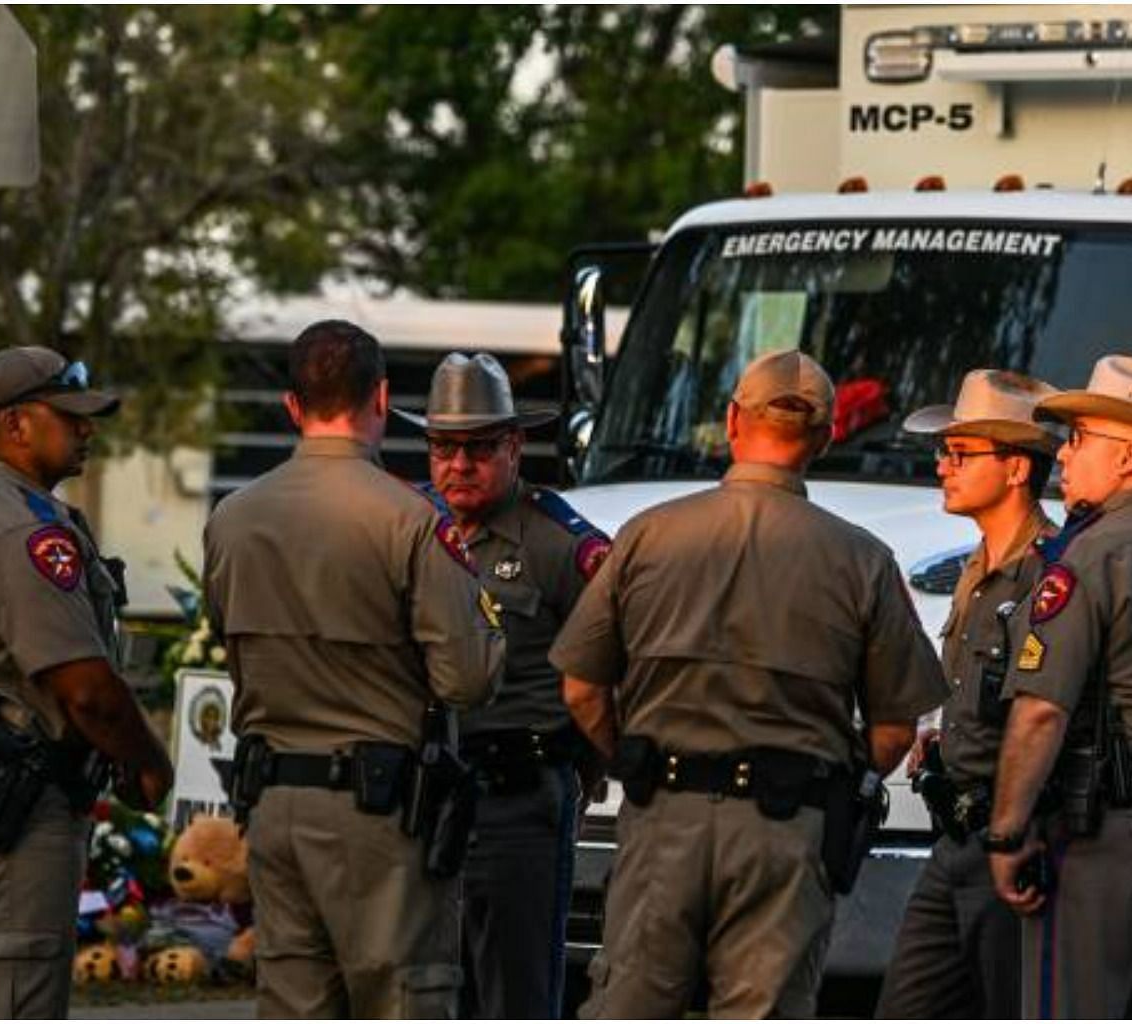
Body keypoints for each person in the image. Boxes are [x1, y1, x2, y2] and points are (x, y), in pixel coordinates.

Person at [550, 350, 949, 1018]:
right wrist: (836, 780)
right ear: (823, 439)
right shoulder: (864, 560)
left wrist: (629, 754)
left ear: (733, 420)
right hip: (786, 832)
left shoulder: (648, 535)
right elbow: (892, 730)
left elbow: (581, 690)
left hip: (662, 819)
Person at [202, 321, 505, 1018]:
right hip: (380, 819)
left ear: (291, 405)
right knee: (404, 997)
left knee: (295, 1001)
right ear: (382, 398)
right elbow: (466, 679)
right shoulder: (410, 520)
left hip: (274, 803)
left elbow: (228, 639)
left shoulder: (233, 518)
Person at [0, 346, 174, 1018]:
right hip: (11, 795)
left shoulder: (20, 515)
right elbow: (86, 687)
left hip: (20, 785)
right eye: (69, 415)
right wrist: (147, 761)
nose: (87, 429)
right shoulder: (14, 529)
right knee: (12, 997)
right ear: (15, 424)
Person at [396, 352, 610, 1019]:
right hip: (420, 797)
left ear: (515, 446)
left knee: (515, 996)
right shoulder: (404, 527)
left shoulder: (559, 545)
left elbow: (619, 664)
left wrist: (591, 761)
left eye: (479, 448)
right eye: (443, 447)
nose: (458, 465)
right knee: (421, 989)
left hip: (520, 800)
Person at [985, 355, 1132, 1019]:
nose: (1065, 456)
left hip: (1105, 832)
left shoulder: (1095, 553)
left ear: (1131, 455)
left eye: (1080, 439)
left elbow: (1041, 711)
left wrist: (1006, 832)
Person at [875, 369, 1061, 1018]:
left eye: (961, 453)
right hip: (953, 841)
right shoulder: (976, 570)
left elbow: (1047, 713)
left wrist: (1017, 831)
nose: (942, 468)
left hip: (1007, 845)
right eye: (942, 453)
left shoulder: (1047, 575)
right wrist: (942, 740)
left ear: (1016, 469)